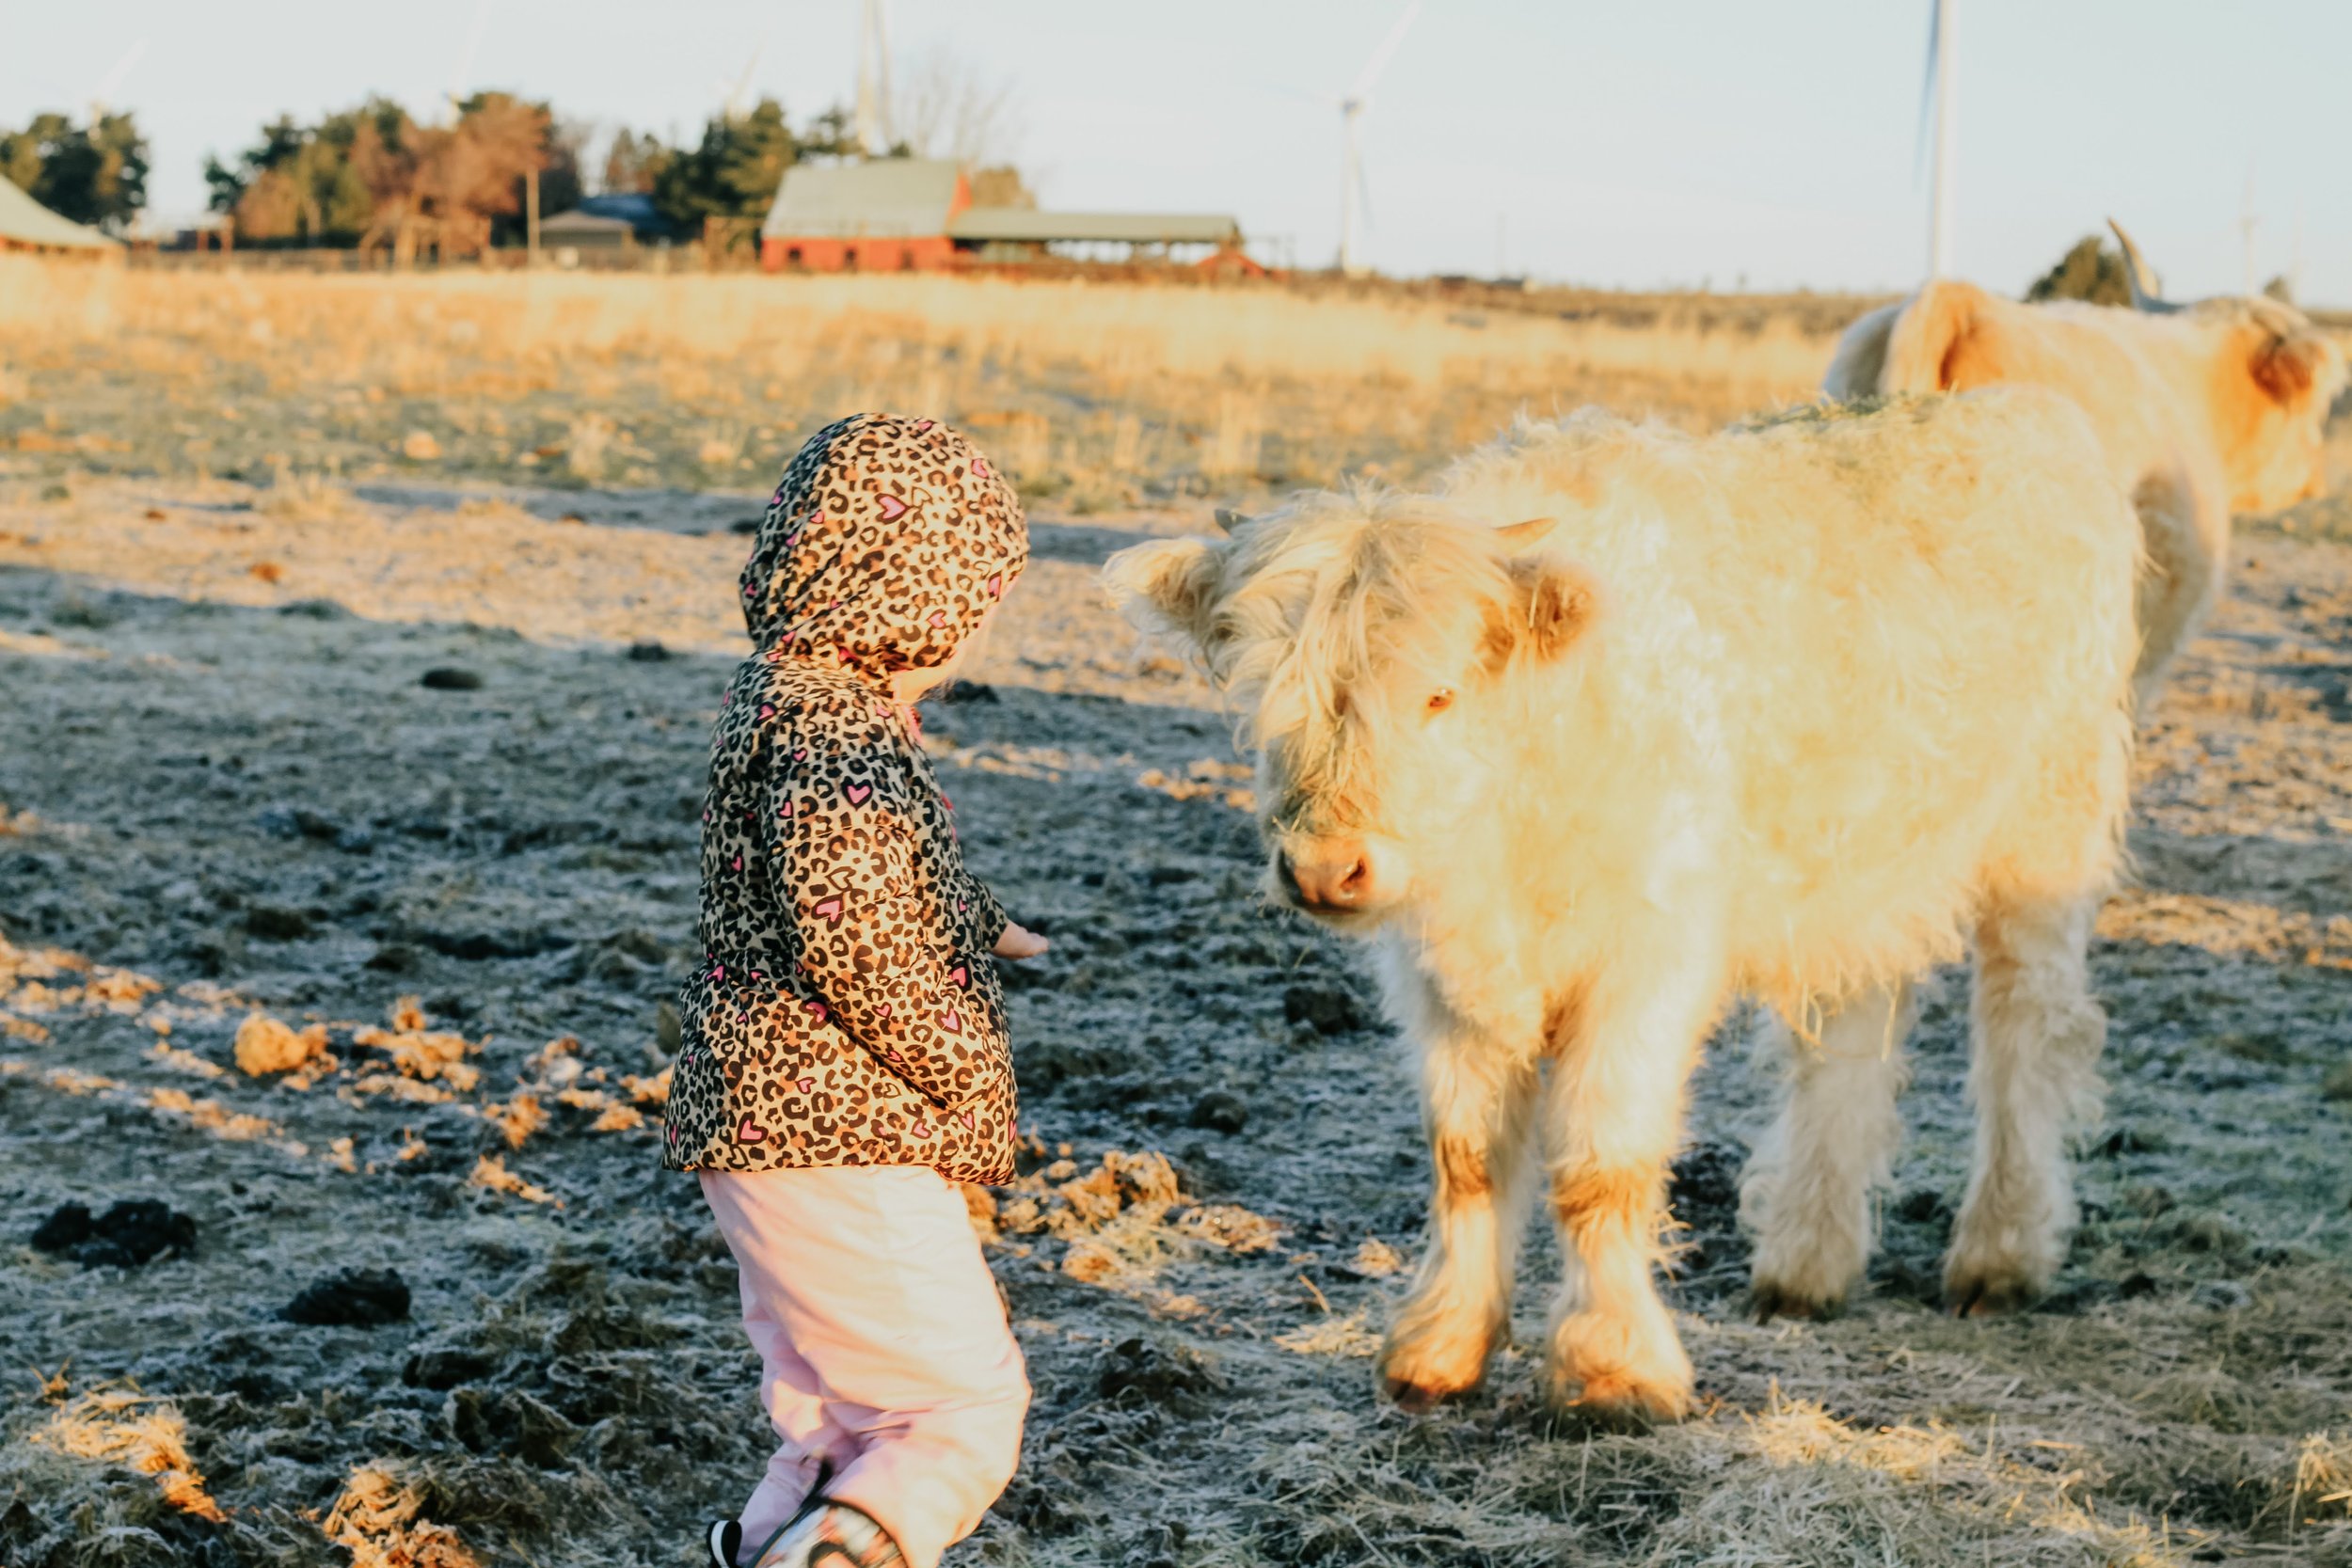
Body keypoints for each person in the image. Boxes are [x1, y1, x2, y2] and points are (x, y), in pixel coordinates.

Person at [664, 413, 1047, 1568]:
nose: (967, 637)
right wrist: (971, 1077)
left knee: (839, 1419)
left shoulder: (785, 696)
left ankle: (779, 1539)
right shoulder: (840, 738)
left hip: (754, 1122)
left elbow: (845, 873)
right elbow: (859, 941)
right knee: (954, 1417)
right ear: (902, 593)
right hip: (839, 1129)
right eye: (966, 606)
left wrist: (984, 921)